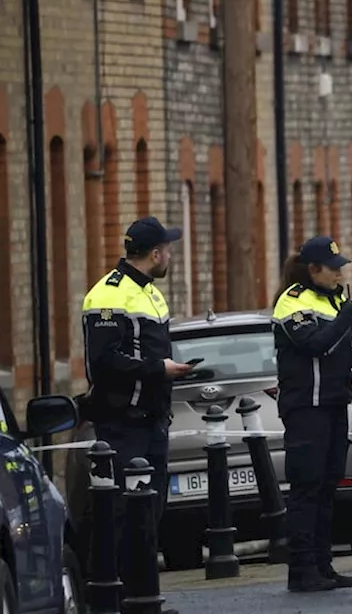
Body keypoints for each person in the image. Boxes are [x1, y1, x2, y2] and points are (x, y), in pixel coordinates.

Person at [81, 217, 190, 613]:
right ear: (155, 253)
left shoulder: (150, 293)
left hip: (153, 420)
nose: (171, 256)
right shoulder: (108, 295)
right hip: (122, 423)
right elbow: (104, 361)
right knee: (122, 516)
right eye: (168, 249)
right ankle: (113, 601)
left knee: (149, 513)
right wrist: (158, 370)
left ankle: (143, 599)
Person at [271, 236, 352, 592]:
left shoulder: (332, 300)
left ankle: (322, 564)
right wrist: (351, 312)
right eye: (333, 269)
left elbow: (336, 346)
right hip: (306, 408)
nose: (339, 275)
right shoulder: (292, 303)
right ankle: (301, 570)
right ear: (312, 269)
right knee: (307, 489)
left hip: (333, 404)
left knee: (328, 487)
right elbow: (315, 344)